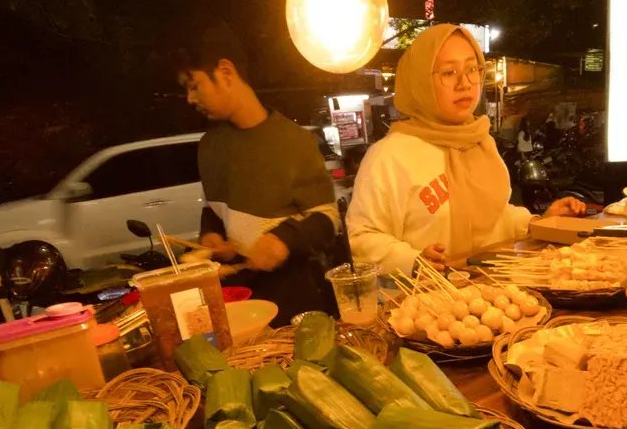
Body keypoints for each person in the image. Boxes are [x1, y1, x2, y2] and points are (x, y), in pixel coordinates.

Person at [347, 24, 584, 275]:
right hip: (426, 302)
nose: (465, 83)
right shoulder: (389, 156)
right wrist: (415, 261)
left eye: (472, 69)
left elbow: (492, 213)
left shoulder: (480, 141)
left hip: (496, 292)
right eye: (449, 73)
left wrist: (538, 222)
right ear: (420, 81)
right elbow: (361, 238)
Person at [178, 24, 339, 324]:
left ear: (225, 72)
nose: (189, 98)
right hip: (236, 302)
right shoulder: (210, 146)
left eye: (194, 85)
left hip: (292, 302)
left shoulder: (293, 141)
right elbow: (215, 210)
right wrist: (212, 235)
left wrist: (284, 240)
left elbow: (327, 220)